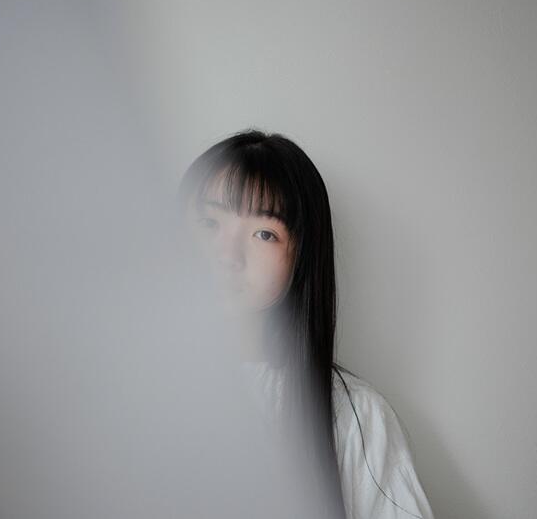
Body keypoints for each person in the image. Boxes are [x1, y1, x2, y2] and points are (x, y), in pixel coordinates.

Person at [178, 129, 435, 519]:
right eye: (209, 222)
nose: (228, 255)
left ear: (301, 259)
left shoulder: (354, 416)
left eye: (264, 233)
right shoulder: (122, 396)